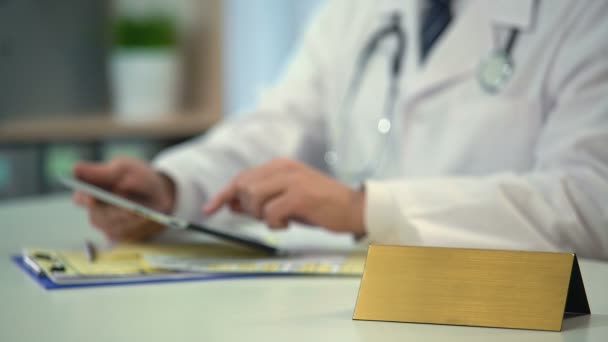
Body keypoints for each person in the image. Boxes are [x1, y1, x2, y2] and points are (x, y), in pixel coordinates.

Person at [73, 0, 608, 259]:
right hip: (362, 308)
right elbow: (278, 125)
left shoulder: (585, 15)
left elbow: (591, 199)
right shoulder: (358, 9)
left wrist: (363, 209)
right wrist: (171, 187)